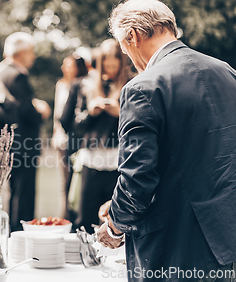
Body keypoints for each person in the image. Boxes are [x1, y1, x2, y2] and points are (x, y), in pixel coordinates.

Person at [96, 0, 236, 281]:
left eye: (124, 50)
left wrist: (115, 225)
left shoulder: (142, 87)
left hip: (174, 247)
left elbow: (138, 179)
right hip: (227, 237)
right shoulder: (227, 73)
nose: (130, 61)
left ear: (133, 36)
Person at [68, 39, 129, 233]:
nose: (110, 70)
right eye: (107, 65)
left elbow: (142, 123)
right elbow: (76, 124)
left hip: (118, 159)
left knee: (114, 216)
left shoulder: (130, 84)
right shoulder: (87, 85)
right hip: (92, 158)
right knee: (86, 216)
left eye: (114, 65)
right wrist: (91, 112)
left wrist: (120, 112)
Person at [0, 32, 51, 231]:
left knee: (9, 193)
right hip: (23, 145)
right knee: (24, 195)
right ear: (22, 52)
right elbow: (25, 110)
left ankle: (10, 233)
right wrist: (42, 112)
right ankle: (22, 234)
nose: (33, 57)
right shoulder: (18, 75)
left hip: (3, 143)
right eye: (31, 52)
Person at [52, 53, 88, 220]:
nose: (64, 68)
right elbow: (57, 113)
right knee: (63, 182)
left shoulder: (85, 85)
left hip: (75, 138)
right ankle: (64, 217)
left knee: (75, 179)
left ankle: (73, 216)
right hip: (61, 137)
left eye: (69, 65)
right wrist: (56, 134)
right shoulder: (61, 85)